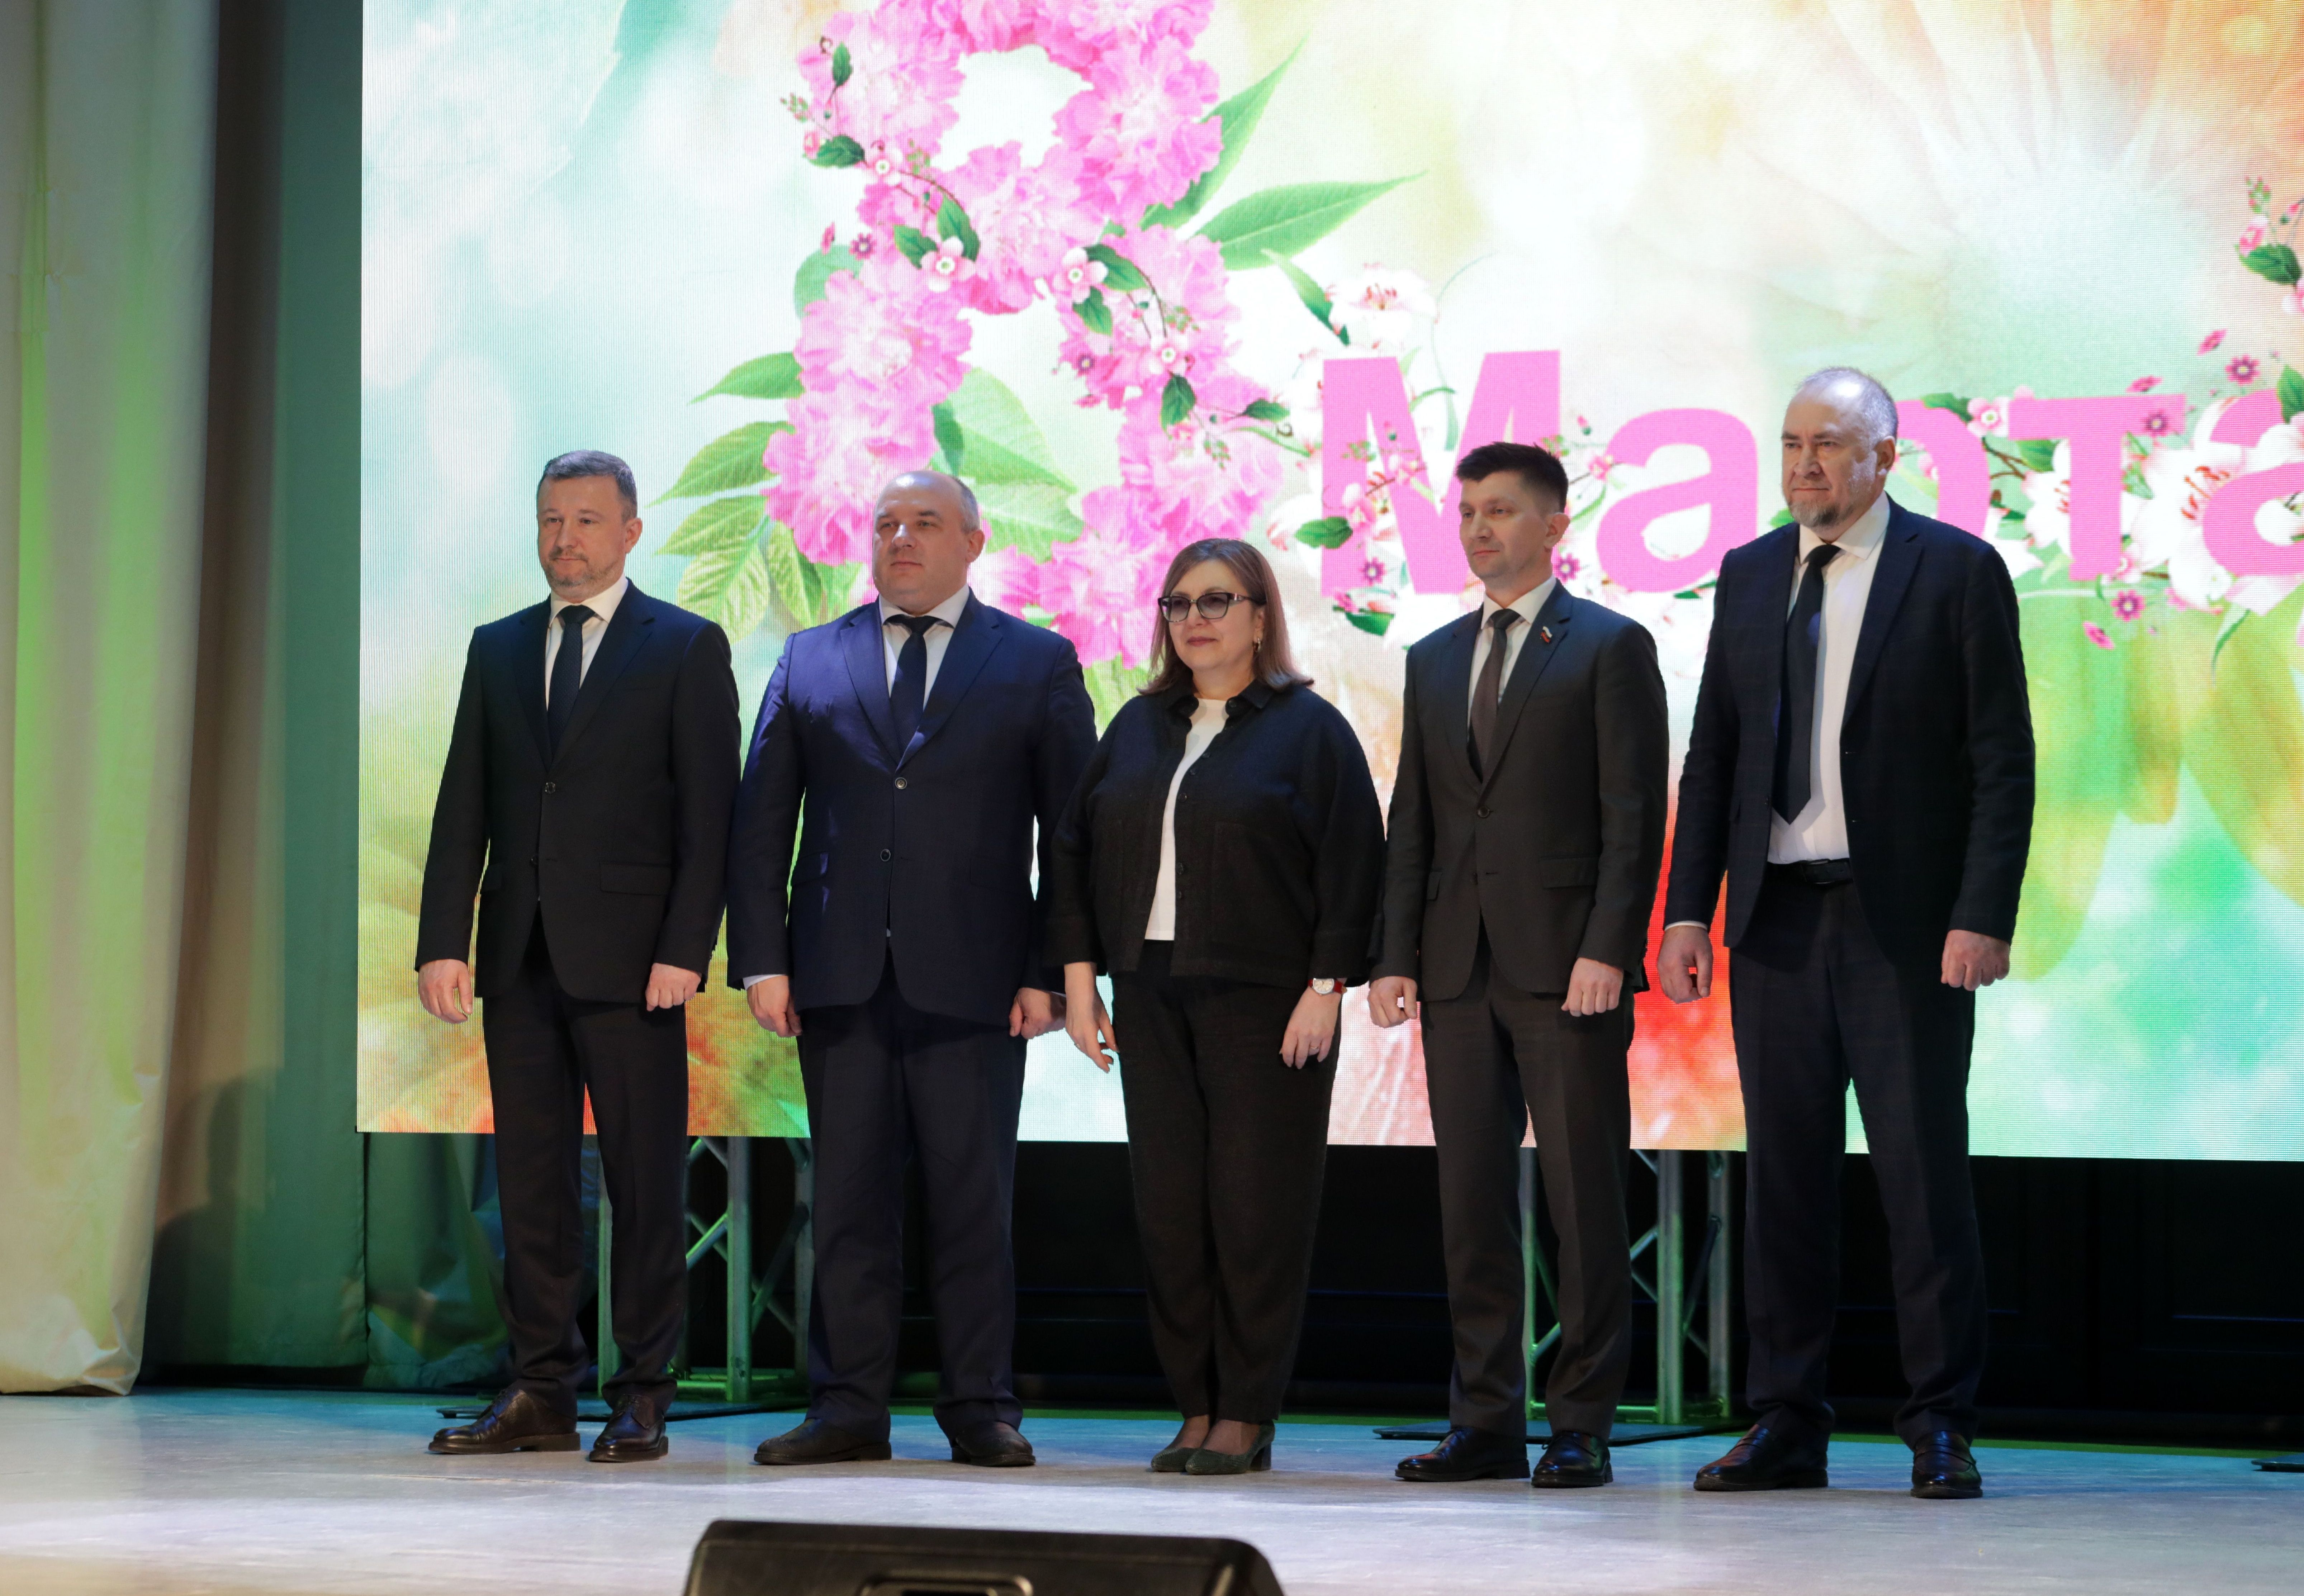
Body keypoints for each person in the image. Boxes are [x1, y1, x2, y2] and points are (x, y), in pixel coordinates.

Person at [1659, 368, 2034, 1501]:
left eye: (1827, 442)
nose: (1804, 463)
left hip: (1902, 926)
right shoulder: (1749, 572)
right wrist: (1688, 906)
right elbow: (1714, 753)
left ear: (1883, 456)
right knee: (1783, 1180)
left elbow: (2000, 759)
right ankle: (1786, 1418)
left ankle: (1938, 1422)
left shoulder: (1953, 569)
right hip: (1775, 916)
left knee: (1920, 1176)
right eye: (1790, 442)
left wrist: (1980, 913)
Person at [726, 470, 1096, 1469]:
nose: (900, 538)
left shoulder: (1037, 660)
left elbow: (1072, 835)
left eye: (925, 522)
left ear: (974, 541)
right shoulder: (811, 656)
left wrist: (1048, 968)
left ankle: (980, 1406)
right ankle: (847, 1406)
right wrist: (761, 960)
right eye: (885, 522)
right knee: (847, 1205)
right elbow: (762, 823)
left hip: (981, 983)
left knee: (972, 1204)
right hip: (837, 978)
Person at [417, 450, 740, 1464]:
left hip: (638, 965)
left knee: (644, 1183)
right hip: (520, 956)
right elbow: (463, 802)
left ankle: (642, 1391)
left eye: (588, 520)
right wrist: (443, 940)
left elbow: (711, 820)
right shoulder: (499, 646)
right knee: (532, 1184)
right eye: (552, 519)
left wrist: (685, 948)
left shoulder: (683, 645)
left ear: (631, 532)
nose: (566, 538)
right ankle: (540, 1387)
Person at [1047, 539, 1384, 1477]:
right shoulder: (1138, 723)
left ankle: (1245, 1411)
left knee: (1254, 1210)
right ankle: (1194, 1405)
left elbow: (1354, 862)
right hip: (1148, 991)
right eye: (1179, 603)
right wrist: (1079, 982)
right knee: (1169, 1211)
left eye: (1217, 600)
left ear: (1260, 616)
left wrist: (1326, 988)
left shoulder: (1308, 729)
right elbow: (1072, 850)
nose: (1194, 619)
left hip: (1266, 1001)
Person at [1370, 440, 1669, 1488]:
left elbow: (1633, 815)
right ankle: (1485, 1420)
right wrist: (1394, 954)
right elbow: (1414, 819)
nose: (1478, 528)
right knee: (1472, 1204)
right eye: (1467, 513)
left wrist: (1607, 948)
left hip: (1565, 968)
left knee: (1585, 1200)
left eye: (1499, 510)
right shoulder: (1433, 657)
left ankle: (1582, 1420)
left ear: (1554, 525)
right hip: (1456, 966)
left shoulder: (1608, 645)